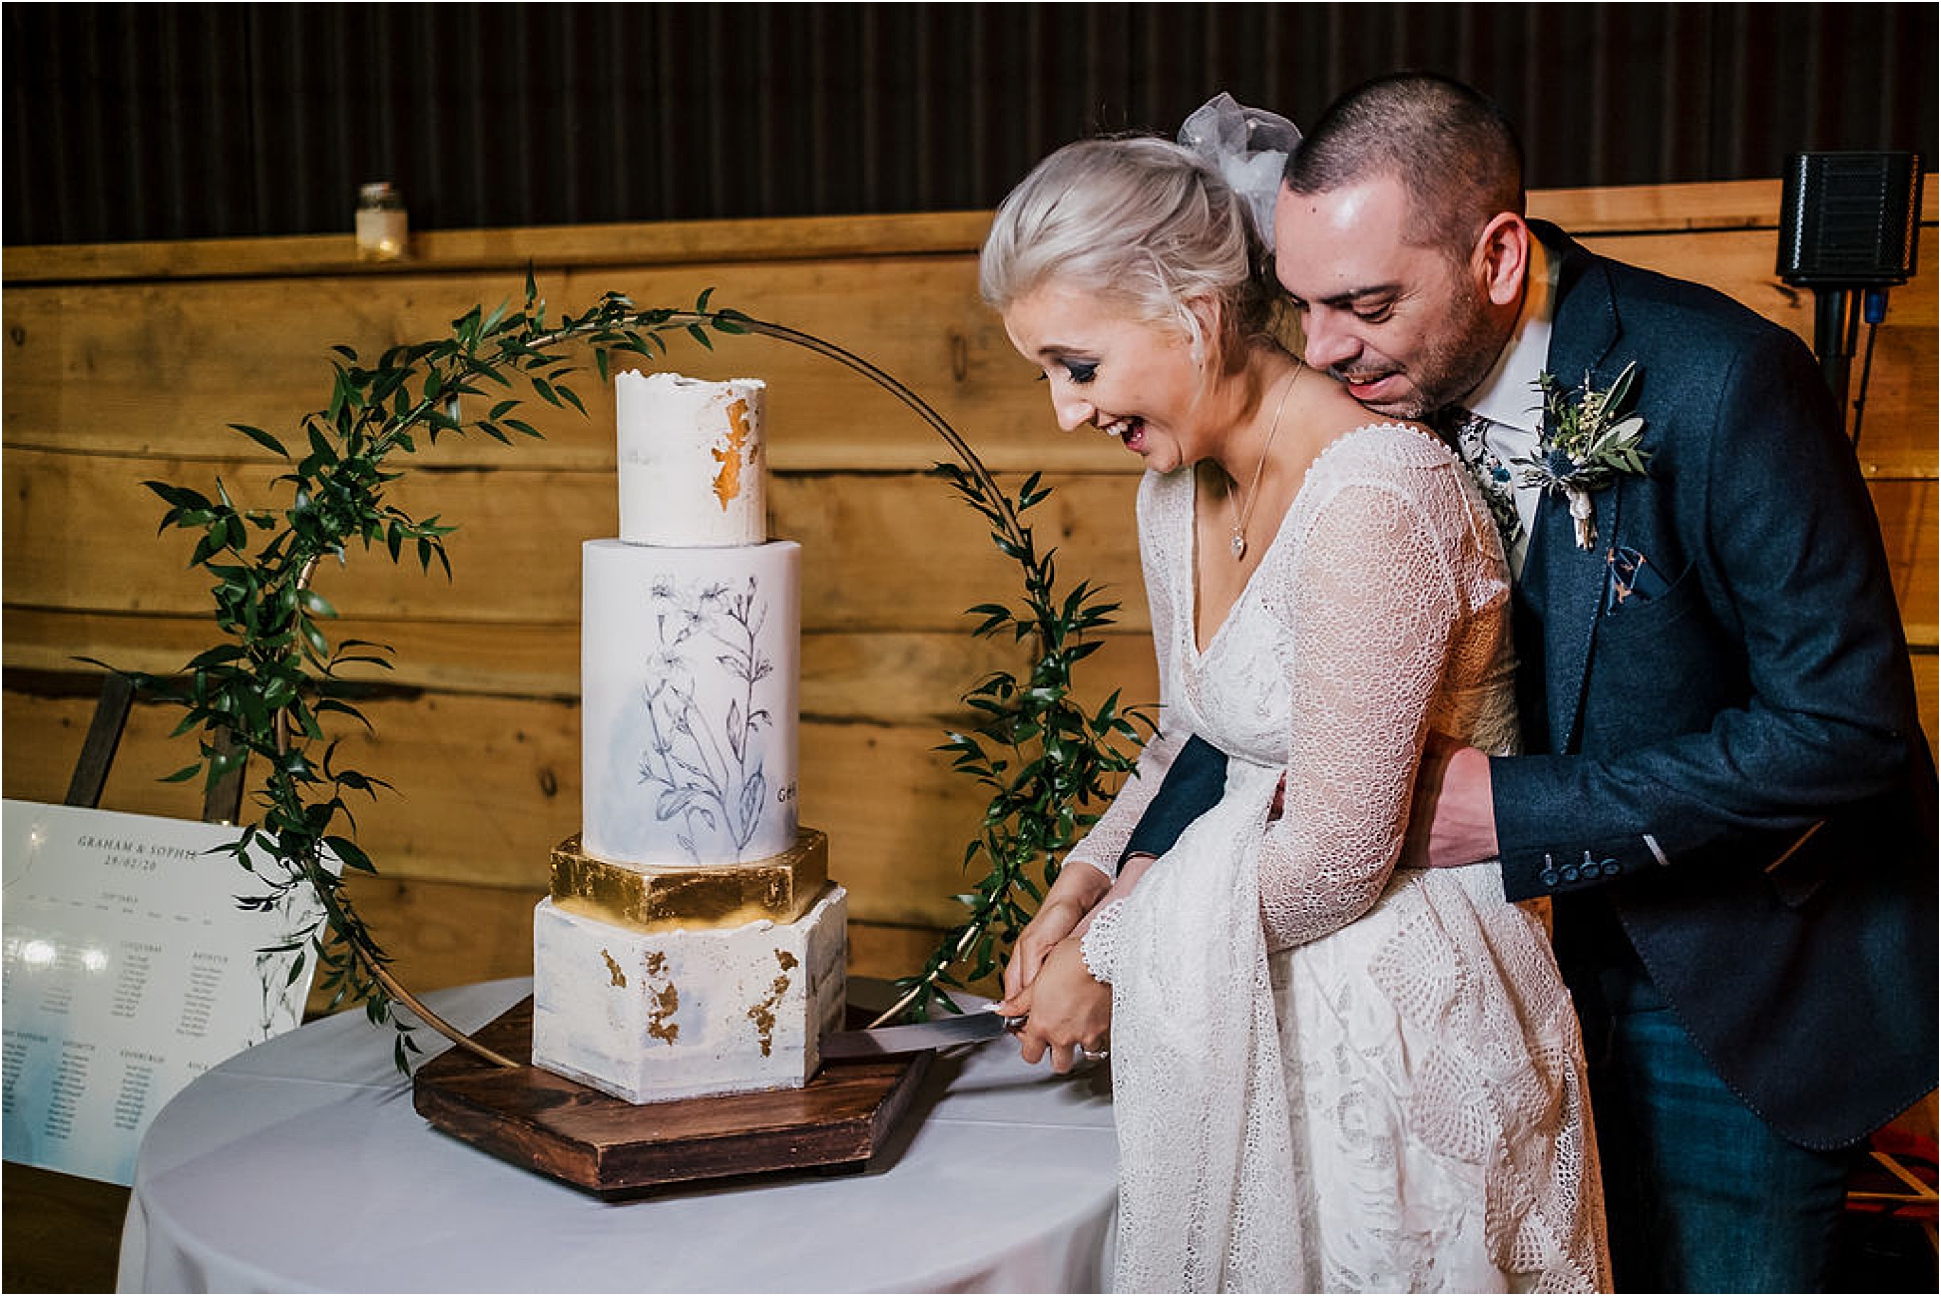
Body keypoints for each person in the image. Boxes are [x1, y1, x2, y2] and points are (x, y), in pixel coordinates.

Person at [1118, 72, 1938, 1292]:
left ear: (1497, 257)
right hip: (1468, 995)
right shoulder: (1362, 415)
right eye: (1303, 304)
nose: (1326, 348)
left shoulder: (1721, 381)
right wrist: (1122, 875)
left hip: (1716, 986)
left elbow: (1845, 731)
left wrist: (1518, 813)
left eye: (1366, 303)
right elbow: (1270, 681)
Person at [981, 101, 1610, 1292]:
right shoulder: (1170, 497)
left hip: (1396, 1025)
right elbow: (1190, 730)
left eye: (1079, 366)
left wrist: (1113, 954)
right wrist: (1081, 884)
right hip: (1239, 987)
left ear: (1195, 314)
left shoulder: (1379, 492)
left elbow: (1338, 853)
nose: (1067, 410)